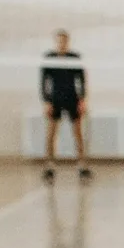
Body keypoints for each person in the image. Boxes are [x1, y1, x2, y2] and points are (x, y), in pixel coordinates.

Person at [39, 29, 89, 181]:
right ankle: (50, 166)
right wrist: (47, 101)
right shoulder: (49, 58)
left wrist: (82, 100)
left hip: (72, 98)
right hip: (55, 99)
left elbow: (82, 80)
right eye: (59, 41)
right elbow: (43, 82)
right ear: (56, 42)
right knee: (51, 133)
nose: (62, 43)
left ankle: (82, 165)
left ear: (68, 42)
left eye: (64, 41)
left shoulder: (74, 57)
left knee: (78, 133)